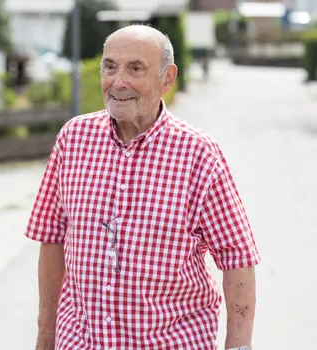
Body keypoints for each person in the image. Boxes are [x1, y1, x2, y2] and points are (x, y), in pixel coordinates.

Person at [25, 25, 259, 350]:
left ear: (167, 78)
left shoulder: (198, 154)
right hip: (79, 343)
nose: (118, 82)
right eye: (110, 67)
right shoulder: (73, 139)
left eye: (135, 68)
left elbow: (238, 259)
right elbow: (51, 239)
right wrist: (45, 338)